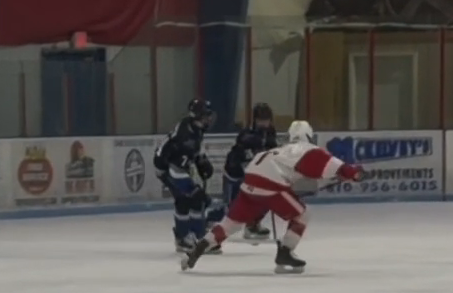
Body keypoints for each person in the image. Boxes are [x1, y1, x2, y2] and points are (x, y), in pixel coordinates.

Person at [183, 119, 365, 274]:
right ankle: (285, 252)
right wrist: (354, 173)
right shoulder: (308, 149)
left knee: (231, 224)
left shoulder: (280, 150)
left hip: (250, 181)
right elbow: (335, 166)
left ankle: (201, 246)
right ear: (309, 135)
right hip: (270, 183)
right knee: (302, 214)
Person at [153, 98, 216, 253]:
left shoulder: (195, 127)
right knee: (190, 199)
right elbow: (175, 167)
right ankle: (188, 238)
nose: (209, 118)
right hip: (167, 167)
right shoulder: (185, 137)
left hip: (175, 166)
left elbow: (194, 151)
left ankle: (192, 236)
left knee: (193, 200)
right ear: (198, 115)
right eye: (206, 115)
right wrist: (189, 188)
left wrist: (201, 161)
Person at [215, 102, 279, 244]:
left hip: (254, 174)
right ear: (255, 120)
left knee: (267, 197)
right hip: (235, 174)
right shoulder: (246, 135)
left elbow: (272, 150)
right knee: (233, 209)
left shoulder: (270, 132)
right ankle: (211, 221)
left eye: (267, 120)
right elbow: (239, 156)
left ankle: (252, 225)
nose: (264, 123)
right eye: (261, 120)